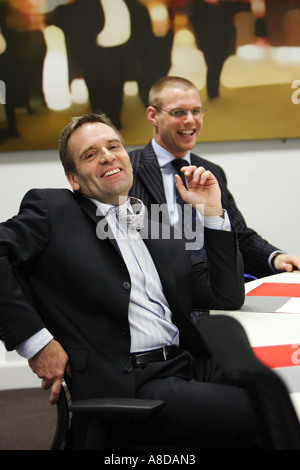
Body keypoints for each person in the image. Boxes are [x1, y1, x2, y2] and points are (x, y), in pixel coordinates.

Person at [0, 112, 259, 450]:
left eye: (114, 146)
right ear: (73, 178)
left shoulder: (155, 223)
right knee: (263, 416)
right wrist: (36, 343)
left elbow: (225, 296)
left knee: (282, 391)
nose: (107, 156)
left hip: (188, 364)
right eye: (90, 154)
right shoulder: (54, 209)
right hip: (132, 382)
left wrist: (212, 211)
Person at [129, 76, 300, 278]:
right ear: (153, 115)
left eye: (196, 111)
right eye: (178, 112)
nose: (190, 120)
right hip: (156, 290)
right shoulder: (129, 168)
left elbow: (237, 236)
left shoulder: (211, 172)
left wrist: (275, 257)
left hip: (212, 291)